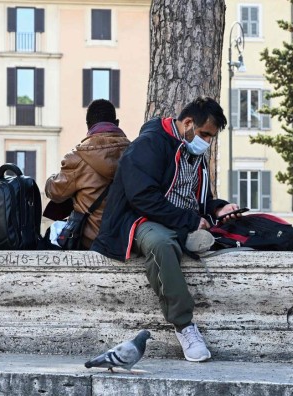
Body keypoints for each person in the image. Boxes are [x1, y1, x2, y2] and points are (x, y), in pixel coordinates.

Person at [91, 96, 240, 362]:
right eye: (205, 134)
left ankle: (190, 238)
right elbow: (142, 198)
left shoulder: (193, 154)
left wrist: (217, 208)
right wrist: (189, 222)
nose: (207, 141)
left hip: (178, 219)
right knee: (162, 245)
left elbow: (196, 198)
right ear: (188, 123)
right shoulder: (149, 145)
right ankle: (184, 326)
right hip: (139, 220)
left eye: (211, 137)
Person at [44, 99, 130, 249]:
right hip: (127, 238)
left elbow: (55, 192)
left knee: (46, 241)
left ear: (88, 125)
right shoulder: (135, 153)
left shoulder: (77, 157)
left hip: (90, 239)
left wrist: (52, 179)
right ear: (116, 123)